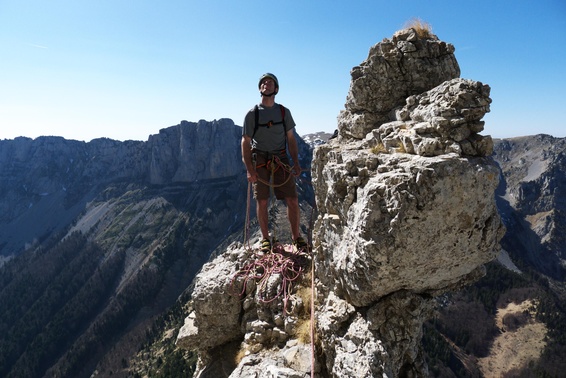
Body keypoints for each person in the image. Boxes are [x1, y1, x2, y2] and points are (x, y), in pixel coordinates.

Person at [241, 73, 308, 253]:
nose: (266, 84)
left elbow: (291, 139)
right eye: (263, 82)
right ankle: (265, 239)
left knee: (292, 199)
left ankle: (296, 237)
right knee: (262, 200)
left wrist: (295, 162)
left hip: (280, 158)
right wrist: (249, 169)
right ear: (260, 89)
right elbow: (245, 142)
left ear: (276, 89)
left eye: (270, 82)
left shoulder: (284, 112)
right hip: (260, 159)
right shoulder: (252, 114)